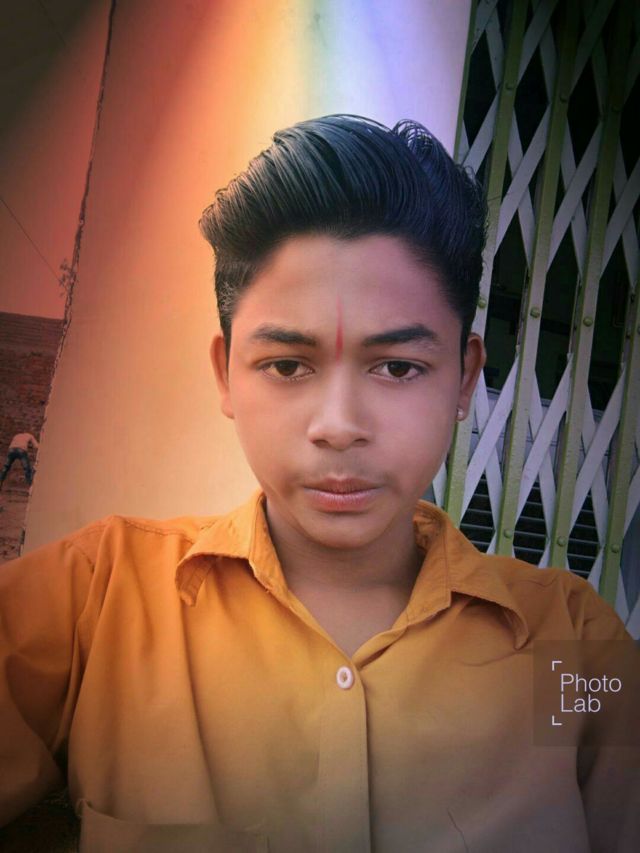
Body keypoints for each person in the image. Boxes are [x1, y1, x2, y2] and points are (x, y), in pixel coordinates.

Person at [0, 115, 637, 852]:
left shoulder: (571, 645)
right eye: (287, 365)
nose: (339, 425)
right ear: (226, 374)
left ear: (464, 378)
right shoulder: (94, 601)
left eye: (397, 367)